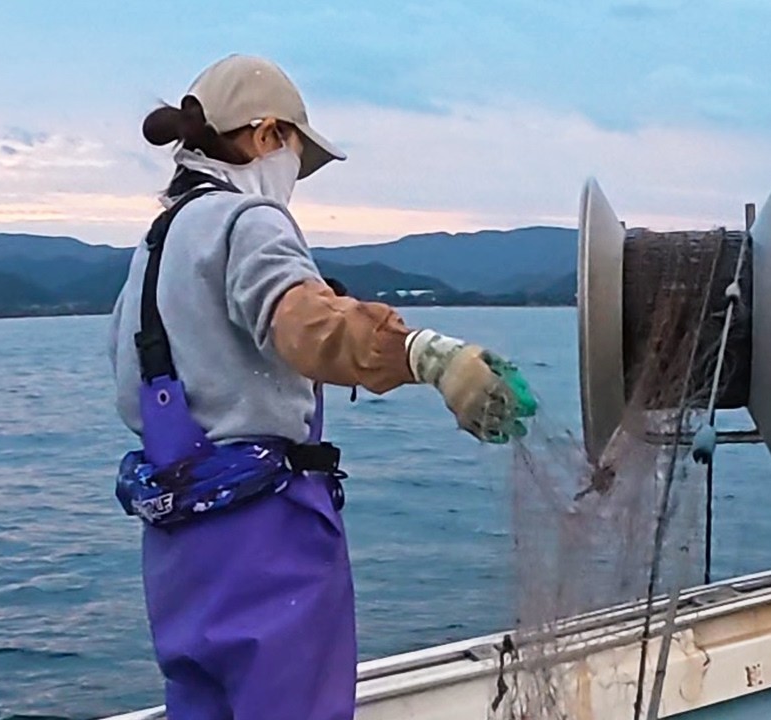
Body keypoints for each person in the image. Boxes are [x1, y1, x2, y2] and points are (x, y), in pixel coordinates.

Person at [109, 54, 535, 720]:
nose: (293, 179)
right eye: (295, 156)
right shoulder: (246, 221)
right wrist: (426, 355)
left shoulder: (154, 246)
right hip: (265, 541)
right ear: (266, 135)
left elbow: (130, 386)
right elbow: (303, 322)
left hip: (177, 550)